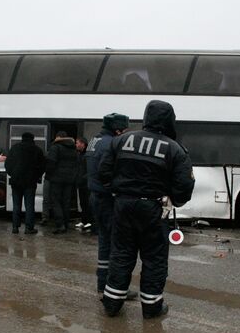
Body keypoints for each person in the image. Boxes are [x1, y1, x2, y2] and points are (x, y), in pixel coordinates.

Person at [99, 101, 195, 319]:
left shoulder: (121, 140)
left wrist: (117, 191)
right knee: (154, 258)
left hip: (123, 205)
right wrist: (174, 201)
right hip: (154, 208)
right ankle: (151, 308)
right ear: (170, 120)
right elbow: (184, 186)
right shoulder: (174, 148)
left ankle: (112, 304)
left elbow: (103, 172)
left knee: (121, 253)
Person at [86, 113, 130, 296]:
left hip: (95, 197)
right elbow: (108, 171)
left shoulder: (95, 140)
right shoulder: (110, 143)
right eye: (124, 130)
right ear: (117, 129)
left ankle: (102, 284)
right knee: (117, 245)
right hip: (108, 199)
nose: (125, 133)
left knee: (104, 243)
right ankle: (115, 289)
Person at [5, 132, 45, 235]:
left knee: (16, 205)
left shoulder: (14, 148)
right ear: (33, 139)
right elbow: (42, 167)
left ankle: (15, 227)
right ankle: (29, 228)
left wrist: (13, 174)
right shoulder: (37, 150)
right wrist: (36, 176)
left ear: (22, 138)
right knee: (29, 205)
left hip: (16, 181)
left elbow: (7, 164)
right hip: (30, 182)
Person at [45, 131, 78, 234]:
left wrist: (48, 175)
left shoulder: (55, 147)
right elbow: (76, 164)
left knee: (56, 201)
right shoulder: (73, 148)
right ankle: (66, 224)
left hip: (56, 179)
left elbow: (51, 162)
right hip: (69, 180)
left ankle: (60, 225)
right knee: (66, 202)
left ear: (57, 138)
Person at [74, 137, 93, 233]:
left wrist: (82, 178)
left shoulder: (86, 155)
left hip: (86, 183)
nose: (76, 145)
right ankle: (84, 220)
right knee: (82, 203)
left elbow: (88, 170)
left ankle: (89, 221)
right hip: (81, 182)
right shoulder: (79, 155)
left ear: (83, 144)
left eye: (77, 143)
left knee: (87, 203)